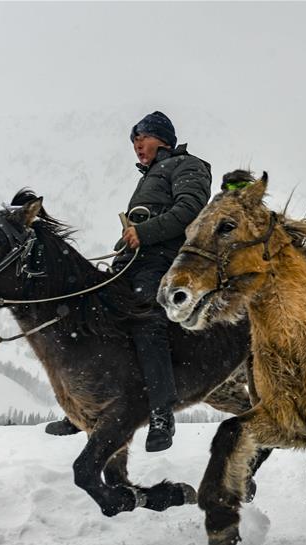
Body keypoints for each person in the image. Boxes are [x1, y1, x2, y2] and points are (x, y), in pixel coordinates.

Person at [45, 111, 212, 451]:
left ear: (162, 138)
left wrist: (144, 233)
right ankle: (84, 406)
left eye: (142, 137)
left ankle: (161, 412)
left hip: (164, 263)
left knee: (146, 321)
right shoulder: (151, 175)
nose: (137, 145)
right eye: (134, 140)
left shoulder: (188, 165)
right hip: (131, 263)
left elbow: (190, 211)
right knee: (90, 316)